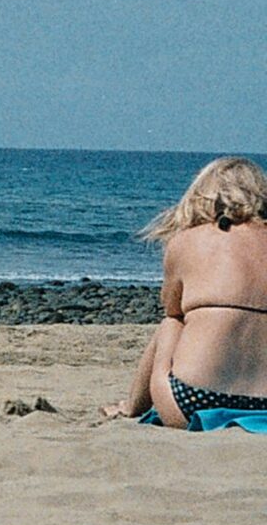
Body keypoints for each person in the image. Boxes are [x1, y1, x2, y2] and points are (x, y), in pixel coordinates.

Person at [104, 157, 267, 425]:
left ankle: (131, 406)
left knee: (173, 321)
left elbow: (171, 307)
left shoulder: (186, 241)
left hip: (191, 400)